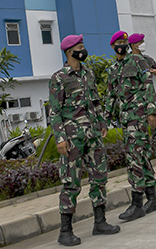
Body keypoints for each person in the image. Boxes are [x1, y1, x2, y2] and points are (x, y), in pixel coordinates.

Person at [48, 34, 120, 246]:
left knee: (100, 177)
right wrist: (60, 137)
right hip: (72, 139)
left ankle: (100, 222)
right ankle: (65, 231)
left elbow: (95, 101)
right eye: (80, 47)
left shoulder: (87, 73)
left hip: (93, 136)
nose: (83, 50)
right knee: (71, 182)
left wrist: (102, 122)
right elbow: (54, 111)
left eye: (83, 46)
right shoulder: (59, 77)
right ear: (70, 51)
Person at [107, 31, 156, 222]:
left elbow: (148, 85)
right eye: (119, 42)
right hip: (125, 118)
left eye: (125, 42)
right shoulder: (112, 68)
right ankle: (153, 198)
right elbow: (111, 95)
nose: (122, 45)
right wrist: (106, 119)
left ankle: (137, 203)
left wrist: (152, 111)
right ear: (113, 46)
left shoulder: (138, 62)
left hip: (138, 116)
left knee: (134, 157)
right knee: (142, 155)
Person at [129, 32, 156, 173]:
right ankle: (145, 166)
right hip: (137, 104)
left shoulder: (148, 59)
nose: (143, 44)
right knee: (141, 135)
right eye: (141, 42)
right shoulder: (128, 62)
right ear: (133, 45)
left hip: (151, 101)